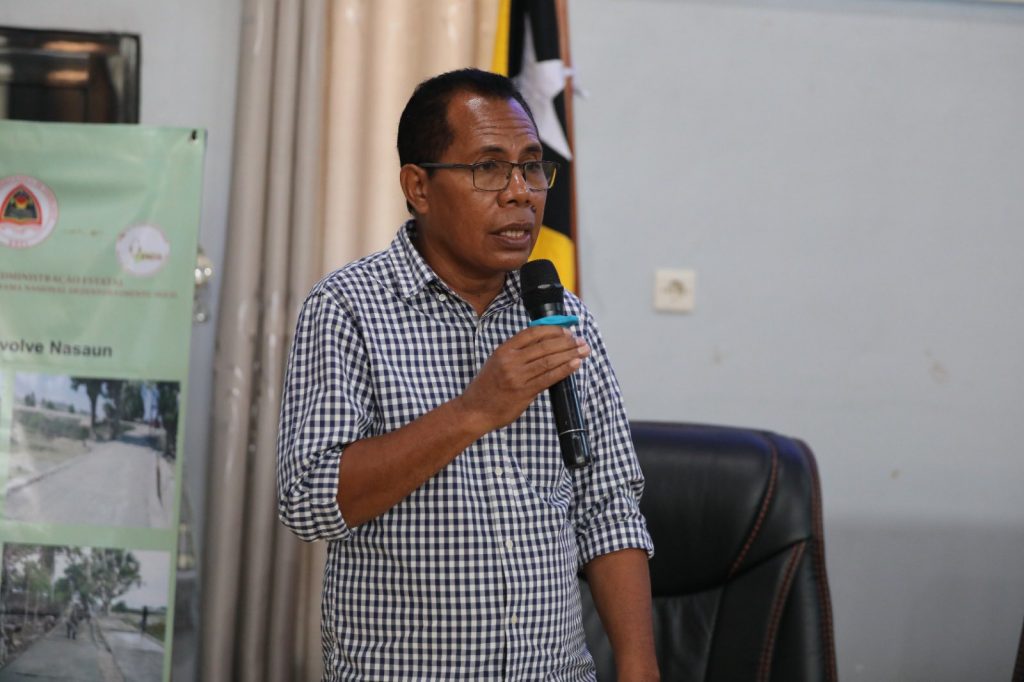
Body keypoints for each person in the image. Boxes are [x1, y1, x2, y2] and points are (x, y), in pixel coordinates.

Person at [277, 68, 659, 681]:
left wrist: (640, 667)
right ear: (418, 187)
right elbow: (309, 500)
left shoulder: (564, 318)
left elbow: (609, 506)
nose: (521, 193)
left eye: (531, 167)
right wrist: (473, 411)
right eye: (489, 168)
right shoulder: (347, 308)